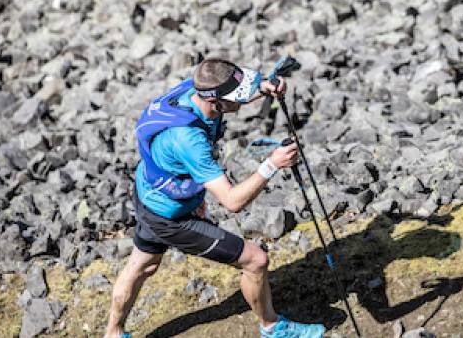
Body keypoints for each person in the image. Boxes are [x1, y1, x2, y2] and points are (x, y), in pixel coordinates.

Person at [104, 58, 324, 338]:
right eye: (237, 99)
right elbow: (232, 202)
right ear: (216, 103)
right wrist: (272, 164)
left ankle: (112, 334)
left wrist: (265, 88)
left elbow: (235, 86)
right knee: (256, 261)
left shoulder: (194, 88)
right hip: (170, 217)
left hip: (149, 191)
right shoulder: (189, 140)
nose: (243, 102)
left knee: (143, 264)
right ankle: (272, 327)